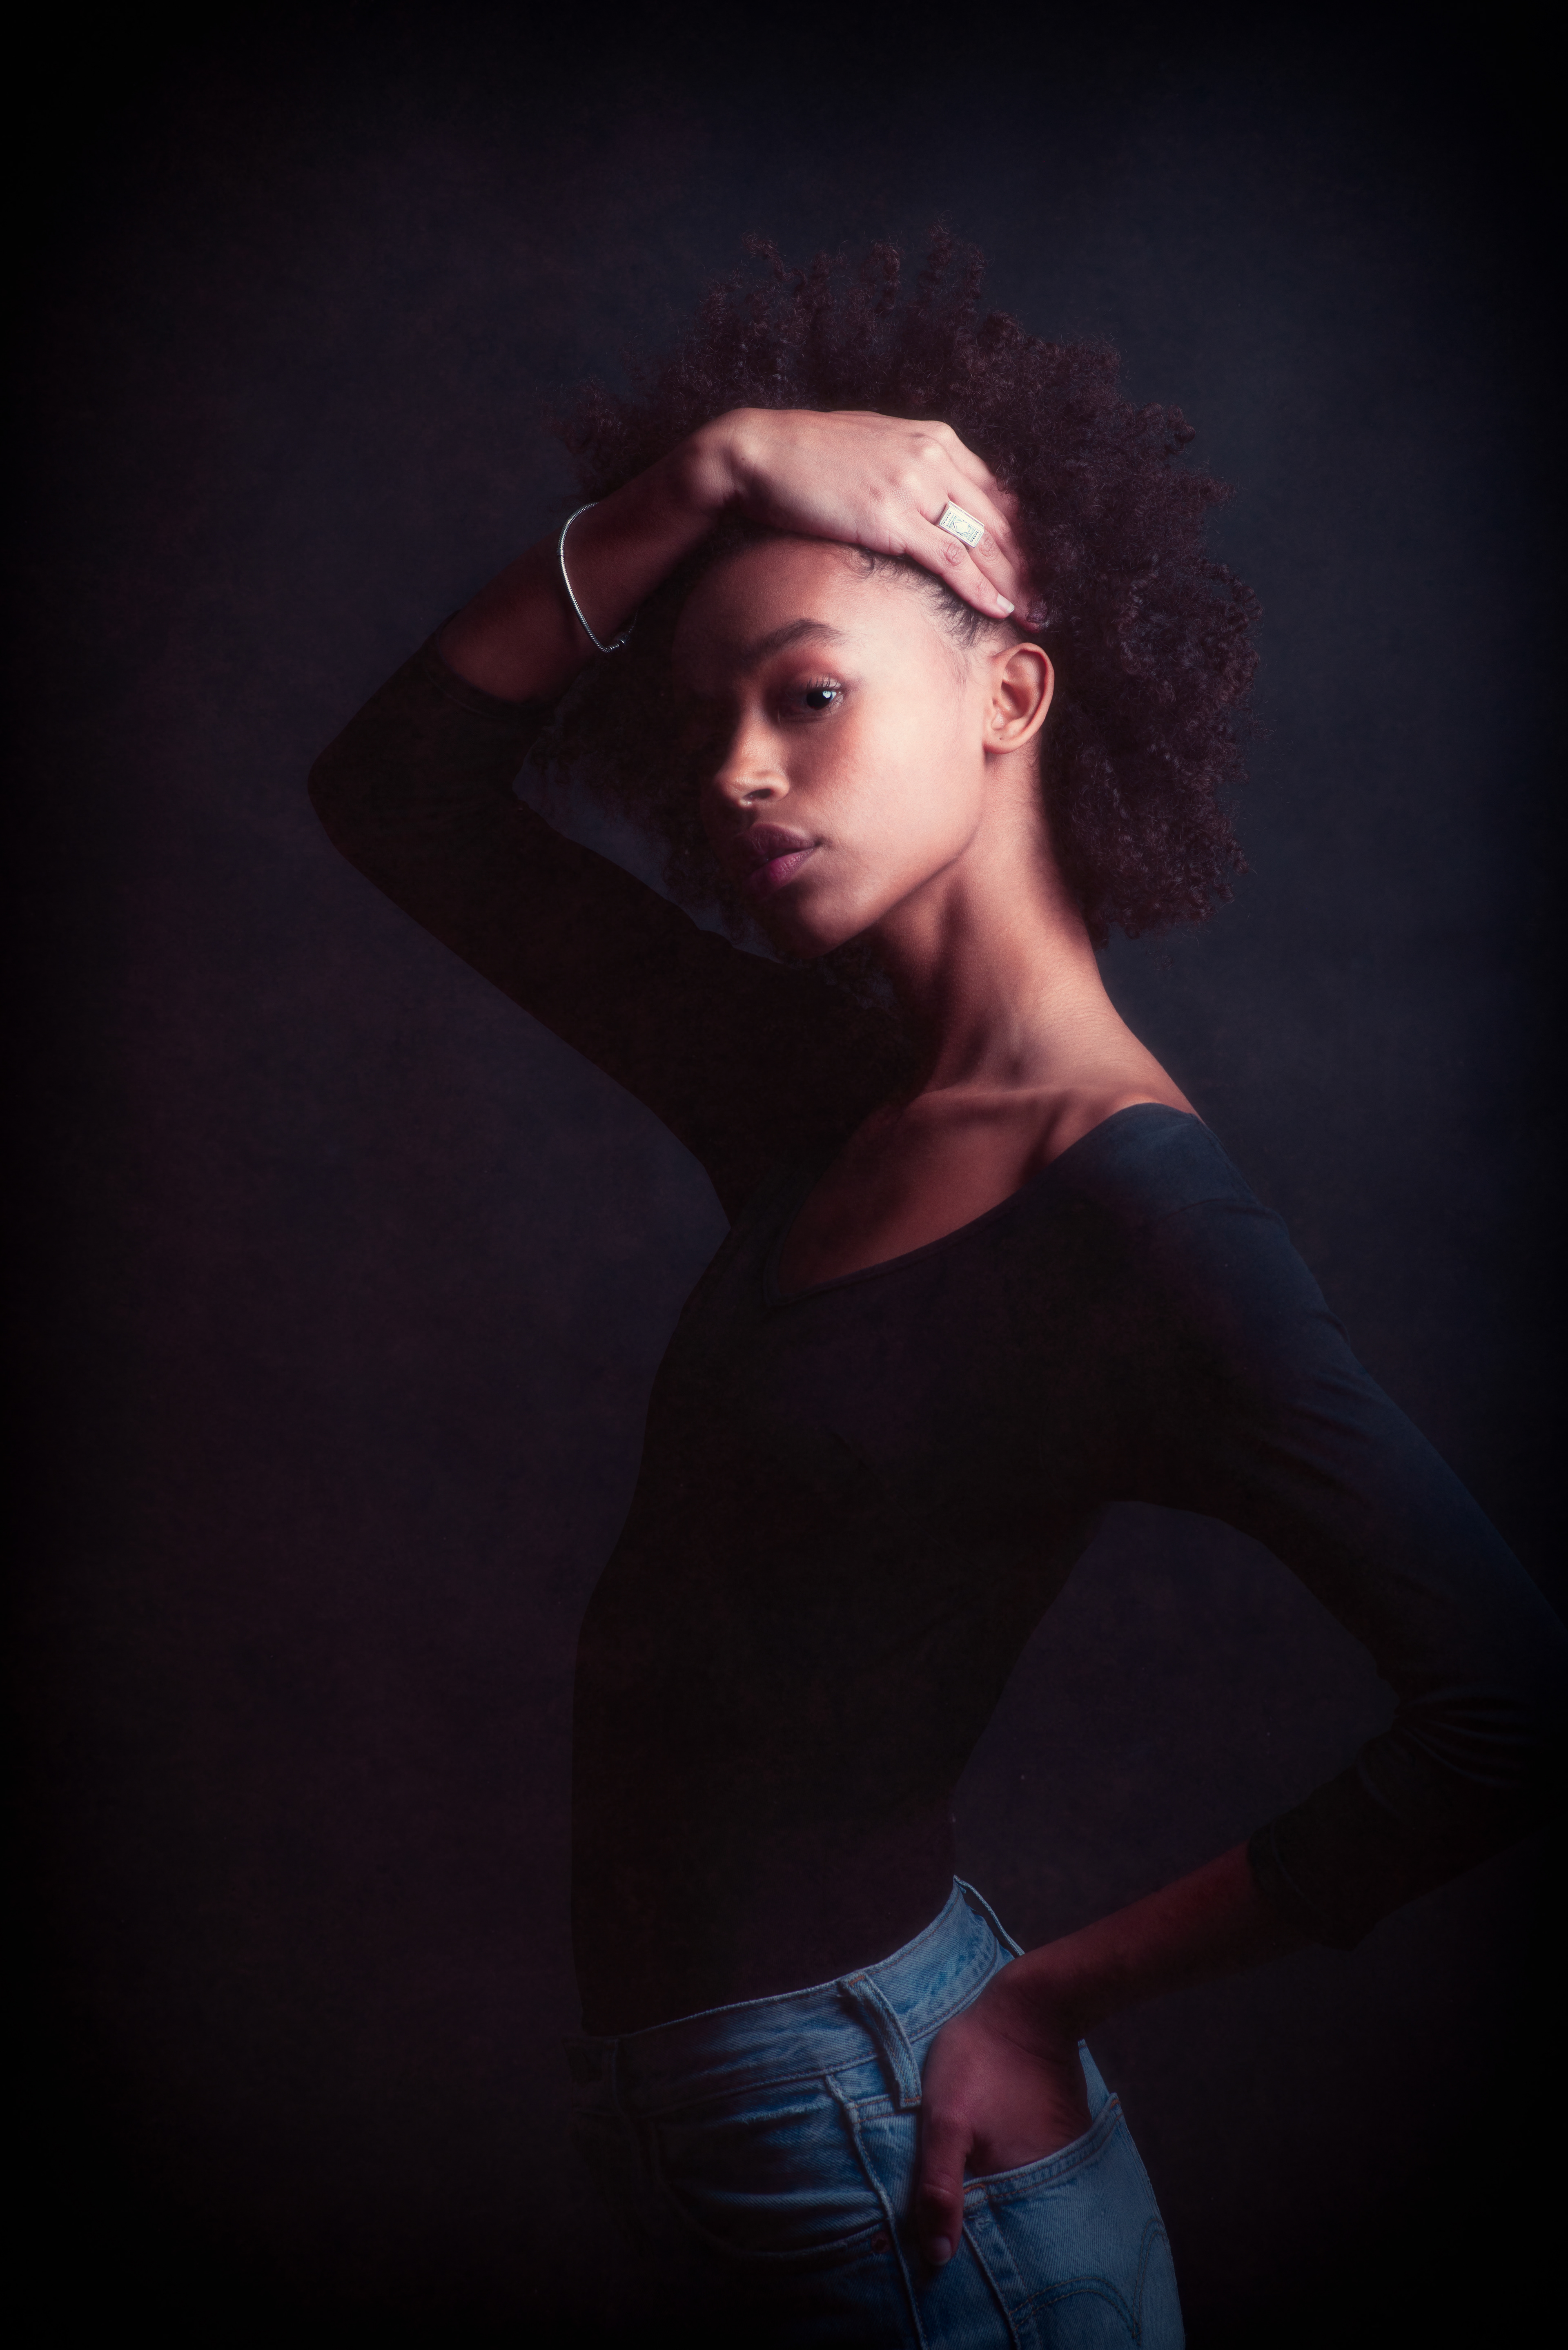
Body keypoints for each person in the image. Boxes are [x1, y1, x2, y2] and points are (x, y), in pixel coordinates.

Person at [308, 239, 1566, 2346]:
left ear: (1011, 695)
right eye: (704, 720)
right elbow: (397, 793)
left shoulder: (1134, 1213)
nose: (734, 771)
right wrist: (712, 476)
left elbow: (1510, 1700)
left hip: (885, 2162)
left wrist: (1056, 1998)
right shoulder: (820, 1094)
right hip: (728, 2131)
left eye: (804, 696)